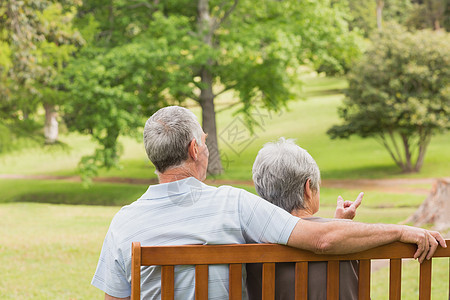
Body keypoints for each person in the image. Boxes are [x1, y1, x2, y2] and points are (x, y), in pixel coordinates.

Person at [91, 106, 446, 300]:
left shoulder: (123, 222)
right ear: (194, 150)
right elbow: (320, 238)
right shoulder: (233, 204)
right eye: (205, 140)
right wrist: (401, 229)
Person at [247, 138, 361, 300]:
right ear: (308, 188)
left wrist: (338, 223)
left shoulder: (252, 241)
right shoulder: (345, 240)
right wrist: (339, 225)